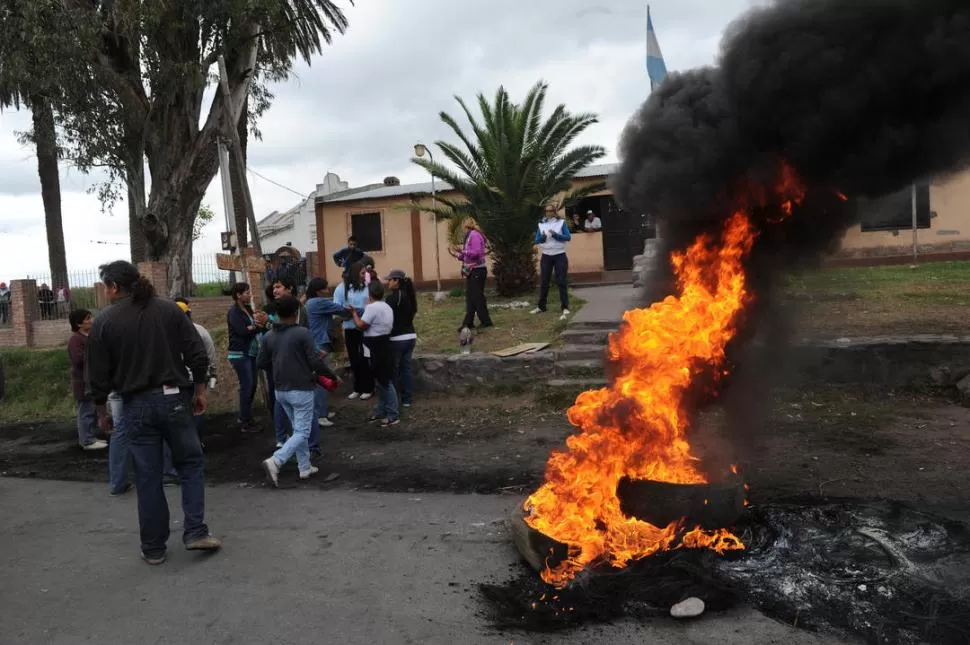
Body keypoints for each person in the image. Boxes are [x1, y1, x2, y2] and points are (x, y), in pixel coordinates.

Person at [85, 260, 220, 565]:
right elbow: (196, 353)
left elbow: (98, 375)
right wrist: (199, 391)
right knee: (190, 464)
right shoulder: (170, 310)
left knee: (147, 476)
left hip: (135, 405)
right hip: (174, 399)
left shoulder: (104, 322)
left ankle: (154, 548)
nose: (106, 292)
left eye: (106, 286)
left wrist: (101, 412)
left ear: (114, 287)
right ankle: (196, 531)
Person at [259, 295, 341, 487]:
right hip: (301, 388)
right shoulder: (302, 333)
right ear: (296, 313)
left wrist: (280, 364)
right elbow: (314, 361)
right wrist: (332, 375)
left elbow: (261, 362)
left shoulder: (269, 335)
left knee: (298, 429)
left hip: (280, 390)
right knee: (303, 431)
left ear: (277, 314)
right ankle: (276, 461)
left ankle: (304, 467)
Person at [304, 277, 351, 435]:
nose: (327, 290)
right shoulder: (319, 302)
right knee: (322, 380)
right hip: (320, 345)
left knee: (320, 379)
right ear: (319, 290)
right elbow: (342, 310)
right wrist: (359, 310)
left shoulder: (310, 302)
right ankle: (320, 415)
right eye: (325, 288)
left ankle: (322, 410)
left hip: (315, 343)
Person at [348, 280, 399, 427]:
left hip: (376, 346)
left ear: (369, 295)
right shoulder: (387, 307)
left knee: (385, 382)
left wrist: (354, 314)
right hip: (386, 344)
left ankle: (392, 414)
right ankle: (380, 411)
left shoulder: (371, 307)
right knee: (382, 382)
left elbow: (361, 325)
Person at [227, 282, 266, 432]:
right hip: (239, 354)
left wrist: (252, 327)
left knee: (251, 386)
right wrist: (255, 327)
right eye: (246, 292)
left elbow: (250, 328)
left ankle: (246, 417)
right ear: (238, 295)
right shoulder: (234, 312)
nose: (249, 294)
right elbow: (242, 331)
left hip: (249, 353)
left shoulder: (247, 309)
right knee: (247, 386)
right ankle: (245, 421)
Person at [67, 309, 108, 451]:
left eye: (90, 317)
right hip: (82, 383)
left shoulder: (89, 336)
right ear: (78, 323)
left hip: (91, 380)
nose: (91, 320)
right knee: (86, 411)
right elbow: (78, 359)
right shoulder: (75, 340)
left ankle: (90, 437)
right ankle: (87, 441)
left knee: (92, 410)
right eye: (87, 318)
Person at [333, 261, 374, 400]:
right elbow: (337, 308)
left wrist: (356, 311)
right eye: (362, 273)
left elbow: (371, 306)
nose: (364, 275)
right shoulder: (341, 288)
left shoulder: (367, 286)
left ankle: (368, 387)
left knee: (364, 358)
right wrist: (349, 313)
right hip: (350, 328)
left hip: (364, 327)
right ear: (355, 273)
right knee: (354, 358)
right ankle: (357, 387)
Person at [531, 204, 572, 321]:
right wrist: (542, 238)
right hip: (546, 255)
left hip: (559, 255)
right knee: (544, 281)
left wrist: (555, 235)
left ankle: (565, 306)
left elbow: (567, 237)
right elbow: (537, 240)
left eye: (550, 211)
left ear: (554, 212)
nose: (548, 213)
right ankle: (541, 306)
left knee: (561, 281)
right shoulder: (541, 224)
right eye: (546, 211)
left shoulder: (561, 223)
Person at [449, 220, 493, 331]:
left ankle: (486, 321)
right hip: (472, 270)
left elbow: (477, 253)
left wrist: (463, 251)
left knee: (478, 297)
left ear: (466, 227)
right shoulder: (469, 236)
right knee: (470, 297)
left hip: (477, 270)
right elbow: (468, 256)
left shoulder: (475, 235)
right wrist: (457, 254)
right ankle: (468, 322)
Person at [385, 269, 417, 409]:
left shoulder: (392, 298)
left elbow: (386, 319)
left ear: (396, 281)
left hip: (397, 339)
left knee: (393, 370)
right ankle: (407, 400)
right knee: (406, 369)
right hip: (411, 337)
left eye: (390, 280)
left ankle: (393, 401)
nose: (388, 283)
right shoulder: (409, 296)